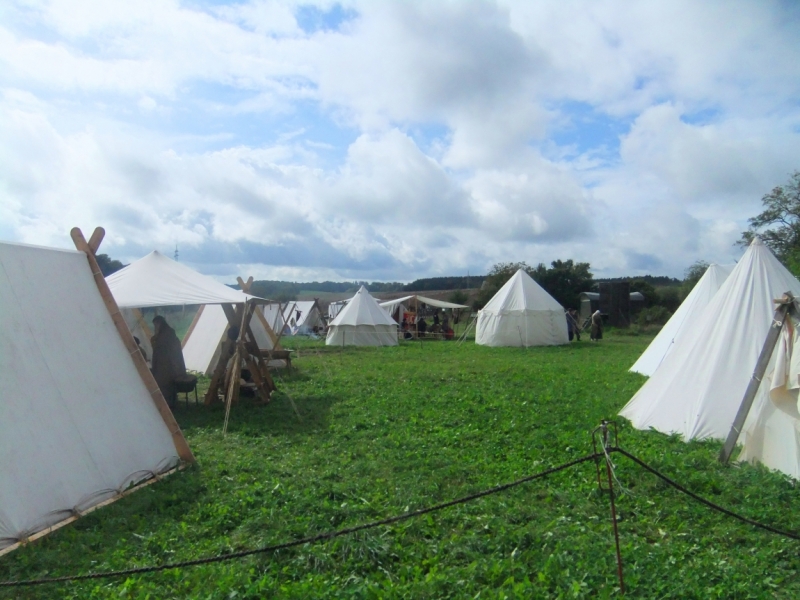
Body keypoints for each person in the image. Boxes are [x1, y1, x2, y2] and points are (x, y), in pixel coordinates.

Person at [150, 315, 187, 408]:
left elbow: (166, 347)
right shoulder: (162, 333)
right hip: (161, 363)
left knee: (166, 385)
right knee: (163, 384)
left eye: (156, 324)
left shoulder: (168, 333)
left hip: (167, 364)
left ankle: (169, 404)